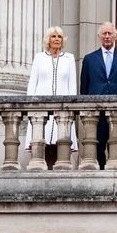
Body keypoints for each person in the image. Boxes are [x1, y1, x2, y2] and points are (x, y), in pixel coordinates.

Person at [80, 21, 117, 168]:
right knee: (97, 146)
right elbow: (84, 87)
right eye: (104, 33)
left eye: (110, 33)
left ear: (115, 36)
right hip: (96, 112)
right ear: (99, 36)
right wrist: (83, 111)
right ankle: (100, 174)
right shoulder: (89, 59)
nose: (107, 36)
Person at [25, 26, 79, 166]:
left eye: (59, 36)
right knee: (42, 142)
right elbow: (32, 84)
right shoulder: (39, 58)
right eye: (53, 36)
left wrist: (71, 108)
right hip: (41, 108)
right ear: (48, 40)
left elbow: (72, 86)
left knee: (61, 143)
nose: (56, 39)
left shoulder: (69, 58)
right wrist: (30, 107)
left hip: (63, 109)